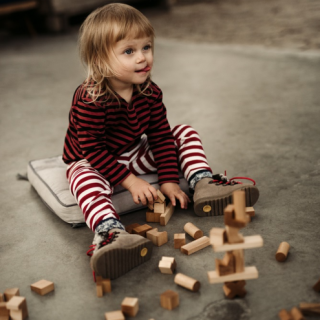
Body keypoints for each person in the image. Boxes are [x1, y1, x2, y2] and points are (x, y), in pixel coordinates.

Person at [62, 3, 259, 280]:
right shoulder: (90, 99)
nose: (143, 58)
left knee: (183, 131)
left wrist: (167, 179)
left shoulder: (149, 91)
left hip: (131, 151)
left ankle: (201, 182)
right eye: (129, 51)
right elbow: (92, 150)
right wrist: (130, 181)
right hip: (92, 159)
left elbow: (160, 135)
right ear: (99, 60)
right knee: (83, 177)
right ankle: (110, 232)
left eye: (147, 47)